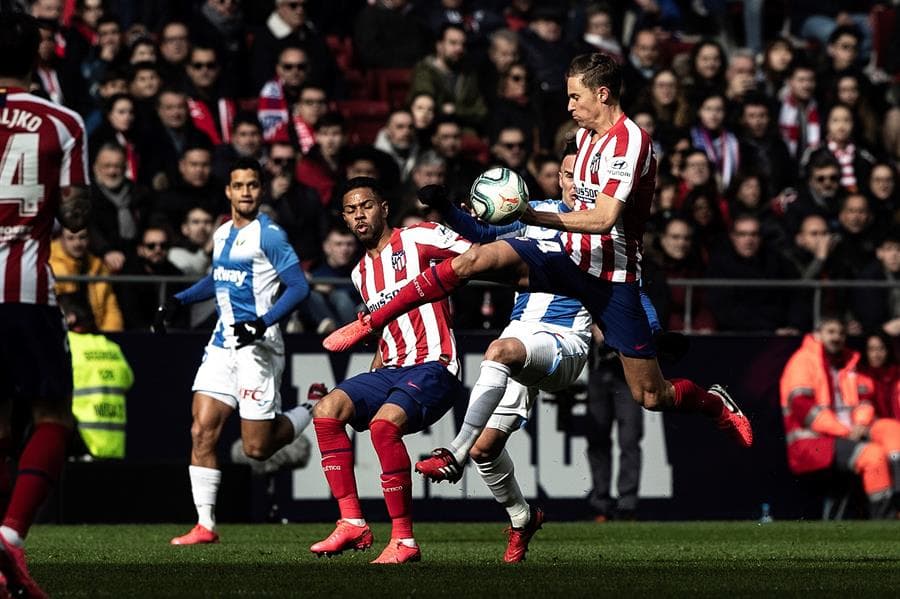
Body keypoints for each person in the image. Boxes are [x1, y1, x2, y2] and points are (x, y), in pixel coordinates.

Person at [325, 54, 753, 486]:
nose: (568, 105)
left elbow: (603, 219)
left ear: (602, 94)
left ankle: (714, 404)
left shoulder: (630, 142)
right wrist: (457, 209)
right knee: (472, 260)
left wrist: (528, 215)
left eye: (574, 96)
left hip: (610, 279)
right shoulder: (584, 137)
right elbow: (493, 231)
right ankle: (371, 321)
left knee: (651, 395)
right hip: (566, 261)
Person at [153, 158, 315, 545]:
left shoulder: (270, 236)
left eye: (253, 185)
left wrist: (262, 322)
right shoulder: (223, 232)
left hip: (258, 348)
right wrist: (179, 300)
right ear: (228, 191)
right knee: (201, 431)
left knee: (257, 449)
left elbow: (298, 287)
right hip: (223, 345)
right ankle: (205, 525)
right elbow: (219, 280)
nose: (246, 192)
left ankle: (310, 408)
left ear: (260, 190)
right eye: (239, 185)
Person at [308, 178, 468, 564]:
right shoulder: (360, 273)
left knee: (383, 426)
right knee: (327, 411)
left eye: (365, 206)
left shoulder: (419, 238)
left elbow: (476, 255)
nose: (358, 215)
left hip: (435, 364)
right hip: (391, 367)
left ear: (383, 208)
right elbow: (384, 331)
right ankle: (351, 522)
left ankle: (404, 541)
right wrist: (370, 377)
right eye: (350, 210)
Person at [0, 12, 90, 598]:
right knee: (52, 414)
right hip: (25, 290)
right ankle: (9, 537)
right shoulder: (61, 121)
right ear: (35, 55)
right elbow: (77, 216)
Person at [780, 317, 900, 518]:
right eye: (831, 332)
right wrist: (844, 431)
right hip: (815, 441)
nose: (837, 337)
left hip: (852, 430)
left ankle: (898, 498)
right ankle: (885, 522)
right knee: (873, 456)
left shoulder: (850, 362)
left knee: (893, 430)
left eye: (841, 333)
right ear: (818, 334)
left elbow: (864, 399)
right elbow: (803, 408)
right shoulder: (803, 361)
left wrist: (861, 424)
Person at [61, 296, 133, 460]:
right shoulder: (111, 347)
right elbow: (128, 381)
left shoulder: (68, 345)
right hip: (114, 448)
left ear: (70, 318)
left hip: (79, 446)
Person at [50, 226, 124, 333]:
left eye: (82, 237)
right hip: (63, 334)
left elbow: (110, 309)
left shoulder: (97, 266)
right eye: (71, 238)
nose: (77, 243)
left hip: (96, 335)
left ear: (89, 239)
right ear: (61, 239)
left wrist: (111, 336)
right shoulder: (49, 265)